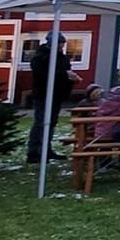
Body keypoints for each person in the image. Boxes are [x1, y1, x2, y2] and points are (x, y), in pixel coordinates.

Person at [24, 34, 80, 164]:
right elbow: (42, 74)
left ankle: (46, 149)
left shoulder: (62, 57)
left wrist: (71, 79)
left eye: (63, 44)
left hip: (57, 94)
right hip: (43, 94)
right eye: (60, 43)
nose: (62, 46)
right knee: (41, 122)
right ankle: (34, 152)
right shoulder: (40, 57)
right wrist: (64, 74)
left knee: (51, 123)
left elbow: (65, 72)